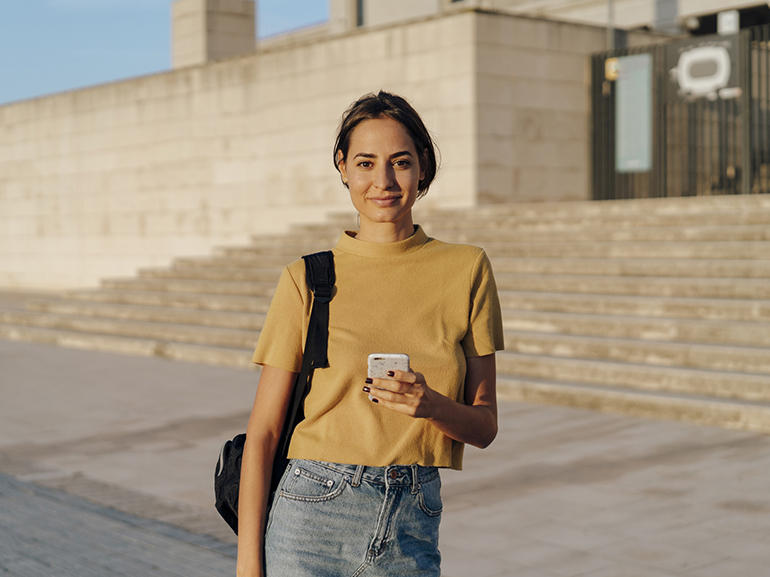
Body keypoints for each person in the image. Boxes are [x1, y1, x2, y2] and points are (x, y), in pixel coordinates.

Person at [236, 90, 504, 577]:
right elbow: (264, 434)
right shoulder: (306, 278)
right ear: (343, 168)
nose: (383, 181)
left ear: (423, 166)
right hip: (311, 510)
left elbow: (485, 428)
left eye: (400, 162)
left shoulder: (467, 269)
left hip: (412, 519)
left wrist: (431, 405)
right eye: (365, 163)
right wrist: (248, 567)